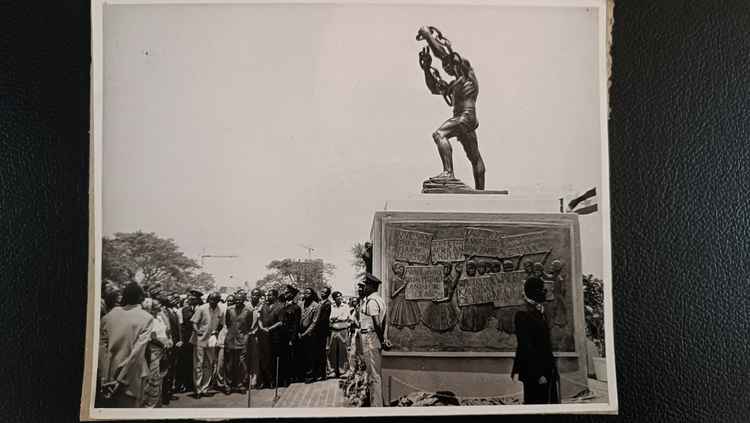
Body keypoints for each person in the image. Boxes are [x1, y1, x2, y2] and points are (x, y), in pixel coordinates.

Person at [417, 25, 485, 190]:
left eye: (449, 65)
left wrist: (428, 36)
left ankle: (448, 173)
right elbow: (435, 88)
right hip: (466, 122)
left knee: (439, 134)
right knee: (475, 157)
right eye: (445, 68)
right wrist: (427, 69)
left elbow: (443, 54)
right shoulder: (455, 85)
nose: (447, 68)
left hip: (465, 118)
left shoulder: (467, 74)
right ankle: (481, 191)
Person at [98, 282, 154, 407]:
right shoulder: (147, 318)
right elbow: (137, 353)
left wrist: (106, 379)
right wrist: (120, 379)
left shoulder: (109, 317)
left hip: (109, 376)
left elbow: (102, 350)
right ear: (141, 298)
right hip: (131, 376)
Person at [511, 277, 560, 404]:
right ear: (533, 291)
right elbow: (526, 346)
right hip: (536, 374)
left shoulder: (540, 312)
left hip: (548, 370)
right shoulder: (522, 314)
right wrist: (538, 374)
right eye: (542, 289)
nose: (545, 292)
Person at [357, 273, 387, 407]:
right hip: (372, 337)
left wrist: (381, 340)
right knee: (373, 373)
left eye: (366, 285)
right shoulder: (378, 299)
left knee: (374, 374)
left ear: (371, 286)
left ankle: (376, 406)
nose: (364, 288)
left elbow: (377, 323)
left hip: (370, 337)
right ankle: (375, 402)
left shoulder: (372, 301)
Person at [190, 291, 225, 398]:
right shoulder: (201, 308)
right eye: (211, 299)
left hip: (211, 340)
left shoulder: (220, 310)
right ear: (208, 299)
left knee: (209, 364)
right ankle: (198, 389)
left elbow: (221, 324)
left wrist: (216, 333)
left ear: (218, 301)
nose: (213, 301)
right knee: (198, 365)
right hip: (199, 340)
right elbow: (194, 322)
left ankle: (205, 388)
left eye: (215, 300)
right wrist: (197, 331)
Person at [141, 298, 173, 407]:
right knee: (153, 377)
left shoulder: (159, 318)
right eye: (158, 304)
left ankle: (157, 402)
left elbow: (166, 331)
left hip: (163, 350)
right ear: (152, 308)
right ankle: (150, 404)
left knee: (161, 376)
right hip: (154, 351)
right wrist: (164, 344)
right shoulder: (150, 320)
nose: (160, 305)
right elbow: (153, 337)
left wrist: (168, 341)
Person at [224, 291, 251, 393]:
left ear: (244, 300)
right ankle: (229, 385)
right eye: (236, 300)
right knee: (229, 364)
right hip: (230, 340)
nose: (238, 301)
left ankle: (241, 384)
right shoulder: (229, 310)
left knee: (241, 363)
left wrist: (245, 338)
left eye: (240, 299)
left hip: (242, 340)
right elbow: (227, 324)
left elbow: (248, 326)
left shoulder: (248, 311)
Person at [422, 262, 460, 332]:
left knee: (445, 319)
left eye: (448, 269)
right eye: (445, 268)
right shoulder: (439, 278)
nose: (446, 270)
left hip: (444, 303)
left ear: (450, 270)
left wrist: (438, 301)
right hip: (436, 301)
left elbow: (449, 298)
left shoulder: (450, 281)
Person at [257, 289, 284, 389]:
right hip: (263, 336)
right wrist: (261, 327)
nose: (268, 297)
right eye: (267, 295)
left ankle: (272, 381)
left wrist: (269, 329)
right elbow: (259, 319)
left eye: (270, 295)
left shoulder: (280, 306)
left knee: (272, 359)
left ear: (275, 296)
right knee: (264, 359)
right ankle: (264, 381)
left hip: (274, 337)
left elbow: (280, 322)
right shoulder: (264, 306)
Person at [176, 290, 201, 393]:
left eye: (193, 298)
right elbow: (181, 326)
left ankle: (193, 384)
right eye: (190, 298)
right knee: (185, 362)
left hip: (198, 338)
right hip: (186, 339)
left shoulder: (201, 309)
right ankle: (184, 384)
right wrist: (181, 339)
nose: (191, 300)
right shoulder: (183, 310)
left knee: (196, 362)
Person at [459, 259, 494, 332]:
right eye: (470, 268)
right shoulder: (463, 280)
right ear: (467, 269)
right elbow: (461, 294)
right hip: (468, 304)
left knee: (478, 310)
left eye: (473, 268)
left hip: (478, 303)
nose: (472, 270)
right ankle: (468, 326)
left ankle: (477, 326)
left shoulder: (480, 280)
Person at [279, 284, 302, 386]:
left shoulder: (296, 307)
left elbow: (296, 324)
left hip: (290, 336)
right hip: (282, 336)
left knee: (291, 357)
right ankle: (284, 378)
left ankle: (291, 378)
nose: (285, 294)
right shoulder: (283, 306)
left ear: (292, 294)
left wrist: (292, 338)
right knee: (283, 358)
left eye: (287, 292)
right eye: (285, 292)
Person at [389, 261, 421, 328]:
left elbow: (412, 274)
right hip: (399, 298)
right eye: (399, 268)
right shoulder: (394, 279)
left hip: (407, 297)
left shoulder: (404, 277)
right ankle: (399, 323)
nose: (401, 269)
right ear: (395, 270)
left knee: (409, 311)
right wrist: (402, 287)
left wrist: (411, 265)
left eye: (402, 268)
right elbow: (392, 294)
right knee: (400, 311)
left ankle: (410, 323)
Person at [298, 288, 321, 383]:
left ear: (312, 294)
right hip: (300, 332)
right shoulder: (301, 304)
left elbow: (314, 322)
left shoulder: (316, 306)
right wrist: (299, 332)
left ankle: (311, 375)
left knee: (311, 355)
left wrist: (305, 333)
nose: (306, 294)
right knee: (302, 355)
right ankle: (303, 374)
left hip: (310, 333)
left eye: (308, 293)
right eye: (304, 293)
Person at [327, 291, 351, 378]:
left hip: (342, 330)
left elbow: (345, 317)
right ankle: (333, 371)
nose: (339, 298)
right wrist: (335, 319)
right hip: (333, 330)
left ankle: (343, 371)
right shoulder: (331, 306)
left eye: (340, 296)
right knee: (332, 351)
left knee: (343, 351)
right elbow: (329, 318)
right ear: (334, 298)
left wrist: (335, 319)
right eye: (337, 297)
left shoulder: (345, 306)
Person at [243, 288, 262, 389]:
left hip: (256, 336)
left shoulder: (261, 306)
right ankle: (245, 379)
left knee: (255, 358)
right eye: (254, 295)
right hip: (245, 335)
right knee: (245, 358)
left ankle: (254, 381)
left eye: (257, 295)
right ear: (251, 296)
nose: (255, 297)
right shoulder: (246, 306)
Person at [317, 287, 333, 379]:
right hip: (319, 330)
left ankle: (323, 374)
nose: (322, 293)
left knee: (322, 353)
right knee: (319, 352)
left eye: (324, 292)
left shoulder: (327, 304)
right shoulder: (320, 303)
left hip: (322, 330)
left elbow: (323, 319)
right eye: (322, 291)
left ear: (328, 294)